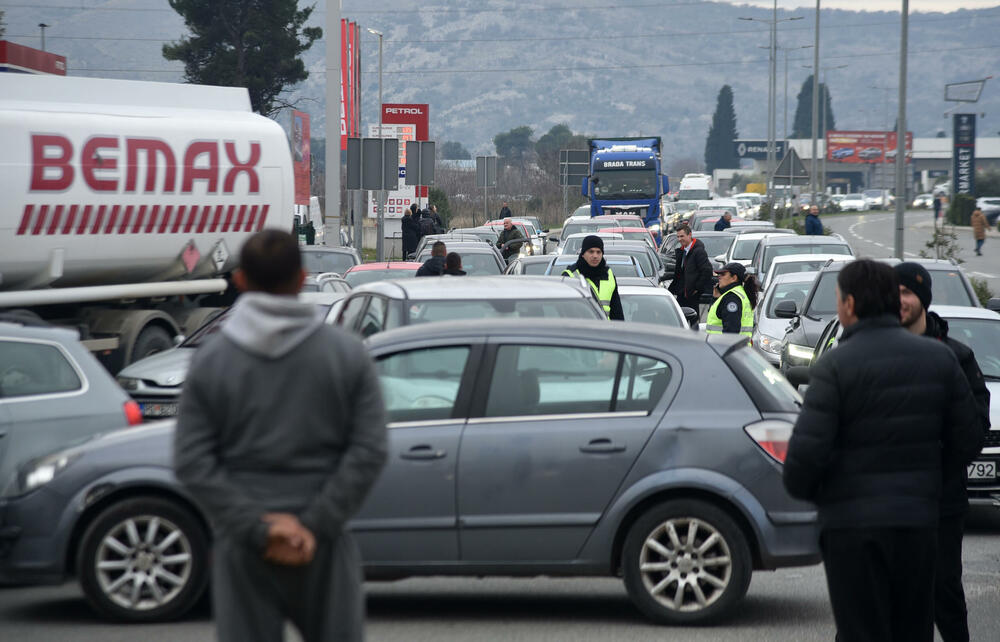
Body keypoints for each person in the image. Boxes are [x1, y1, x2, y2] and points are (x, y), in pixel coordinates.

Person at [174, 230, 388, 642]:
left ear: (239, 281)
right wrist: (312, 524)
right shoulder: (346, 354)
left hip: (244, 544)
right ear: (302, 278)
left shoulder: (210, 361)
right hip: (322, 543)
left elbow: (192, 461)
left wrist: (260, 529)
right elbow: (369, 449)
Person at [783, 259, 982, 642]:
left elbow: (802, 465)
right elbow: (969, 436)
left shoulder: (834, 367)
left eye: (839, 299)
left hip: (850, 529)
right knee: (913, 629)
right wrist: (931, 482)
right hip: (919, 524)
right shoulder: (940, 358)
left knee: (859, 630)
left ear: (851, 305)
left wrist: (830, 499)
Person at [895, 262, 990, 642]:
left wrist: (931, 461)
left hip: (940, 503)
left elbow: (973, 431)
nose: (898, 300)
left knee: (943, 594)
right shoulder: (865, 350)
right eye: (893, 292)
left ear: (923, 299)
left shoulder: (957, 356)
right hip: (881, 503)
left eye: (907, 292)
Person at [561, 235, 624, 320]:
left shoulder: (609, 275)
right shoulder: (570, 276)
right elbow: (564, 311)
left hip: (606, 330)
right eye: (591, 252)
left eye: (598, 252)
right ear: (583, 254)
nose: (595, 256)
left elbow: (617, 312)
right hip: (580, 330)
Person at [667, 224, 713, 315]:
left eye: (682, 236)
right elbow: (679, 273)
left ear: (690, 235)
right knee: (679, 317)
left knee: (693, 320)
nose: (680, 239)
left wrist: (696, 288)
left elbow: (707, 271)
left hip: (692, 294)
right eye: (678, 237)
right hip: (681, 293)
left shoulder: (698, 251)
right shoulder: (681, 251)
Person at [705, 262, 757, 341]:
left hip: (724, 349)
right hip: (739, 349)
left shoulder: (731, 298)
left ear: (734, 278)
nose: (719, 277)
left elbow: (731, 331)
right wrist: (715, 298)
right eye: (719, 274)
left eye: (723, 274)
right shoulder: (739, 293)